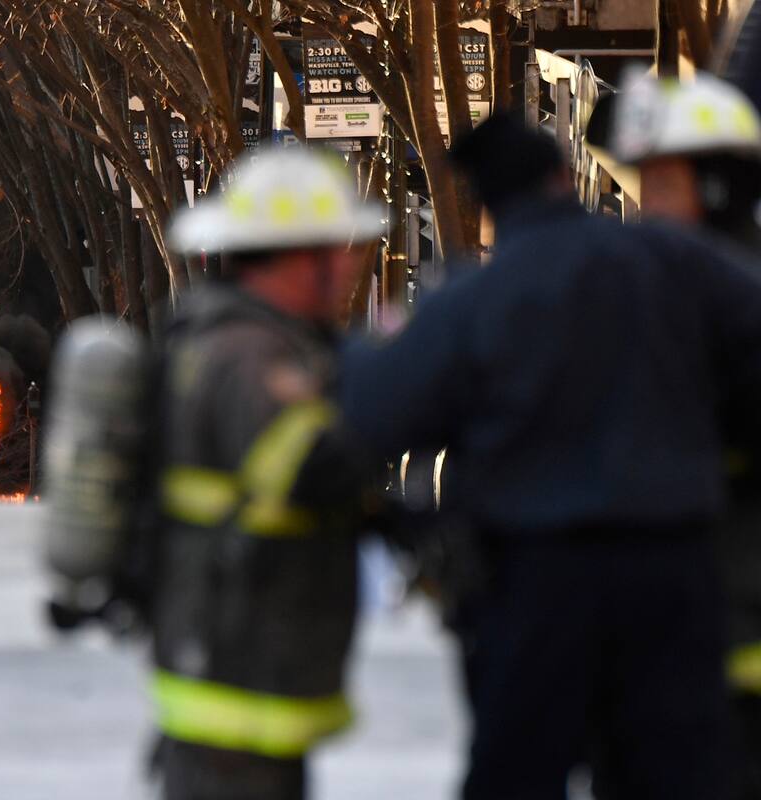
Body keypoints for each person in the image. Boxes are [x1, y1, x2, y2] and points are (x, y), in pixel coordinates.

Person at [338, 111, 761, 799]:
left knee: (518, 772)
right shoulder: (671, 261)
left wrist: (359, 355)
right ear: (564, 177)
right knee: (676, 772)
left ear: (487, 198)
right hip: (673, 568)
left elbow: (375, 416)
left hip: (536, 578)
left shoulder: (473, 298)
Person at [148, 147, 383, 800]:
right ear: (300, 256)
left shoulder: (226, 338)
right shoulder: (252, 357)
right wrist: (394, 389)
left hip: (236, 659)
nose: (349, 265)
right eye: (339, 249)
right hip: (239, 665)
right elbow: (311, 468)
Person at [601, 69, 761, 800]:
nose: (648, 205)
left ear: (723, 182)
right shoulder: (635, 288)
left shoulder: (729, 297)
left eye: (666, 185)